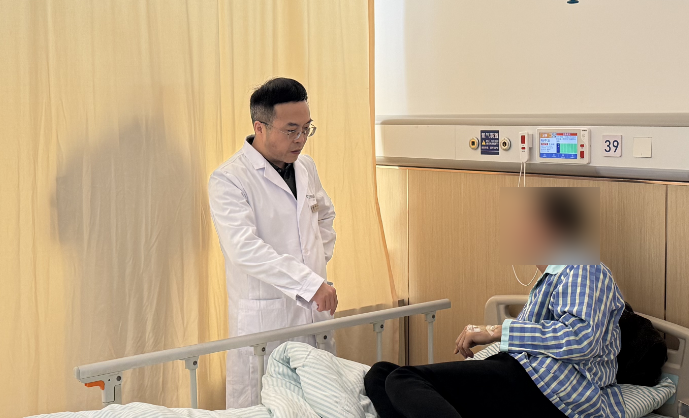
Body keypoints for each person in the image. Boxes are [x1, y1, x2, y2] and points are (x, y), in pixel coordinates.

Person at [364, 188, 626, 418]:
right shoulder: (550, 278)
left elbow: (581, 339)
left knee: (403, 378)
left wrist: (496, 331)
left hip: (555, 391)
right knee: (380, 374)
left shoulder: (583, 267)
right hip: (525, 378)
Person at [209, 78, 338, 408]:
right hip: (267, 321)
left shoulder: (305, 167)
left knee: (320, 404)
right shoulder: (230, 179)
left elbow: (324, 216)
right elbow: (244, 249)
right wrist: (307, 282)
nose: (301, 139)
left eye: (306, 129)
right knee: (265, 407)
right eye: (291, 130)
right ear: (260, 127)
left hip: (313, 314)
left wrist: (314, 264)